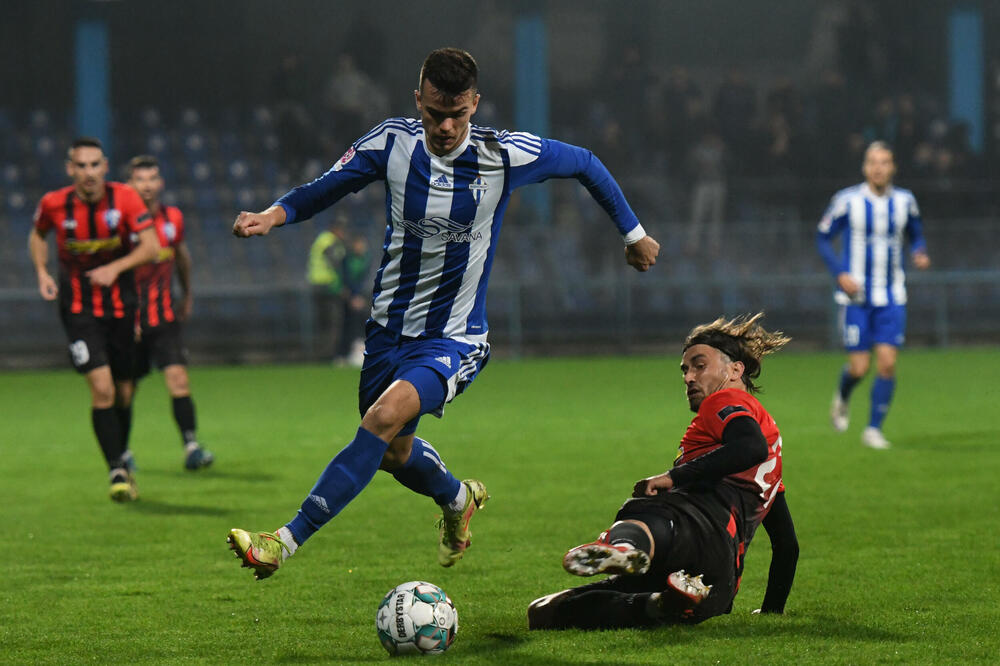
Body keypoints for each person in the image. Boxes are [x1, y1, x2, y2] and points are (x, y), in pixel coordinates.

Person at [225, 47, 660, 579]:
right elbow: (326, 187)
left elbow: (586, 163)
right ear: (418, 101)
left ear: (475, 103)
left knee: (381, 421)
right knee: (391, 451)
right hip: (387, 332)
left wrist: (634, 234)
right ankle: (457, 499)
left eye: (458, 113)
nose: (446, 126)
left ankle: (282, 542)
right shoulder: (392, 143)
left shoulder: (504, 155)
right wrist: (273, 216)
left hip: (454, 338)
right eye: (435, 113)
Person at [527, 313, 797, 629]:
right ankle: (660, 603)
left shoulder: (724, 400)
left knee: (649, 508)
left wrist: (673, 477)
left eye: (700, 365)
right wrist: (771, 613)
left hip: (691, 528)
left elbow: (749, 447)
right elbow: (787, 546)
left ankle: (625, 549)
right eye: (685, 370)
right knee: (543, 611)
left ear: (735, 369)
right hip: (716, 582)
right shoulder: (769, 466)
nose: (688, 377)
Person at [28, 137, 160, 501]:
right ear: (70, 169)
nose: (88, 172)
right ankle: (117, 468)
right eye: (80, 166)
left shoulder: (127, 199)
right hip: (79, 310)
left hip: (122, 308)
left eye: (94, 165)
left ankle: (121, 452)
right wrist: (42, 272)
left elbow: (151, 247)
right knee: (101, 388)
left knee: (124, 391)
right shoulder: (54, 204)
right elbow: (38, 236)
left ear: (105, 167)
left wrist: (114, 268)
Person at [818, 141, 930, 449]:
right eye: (873, 162)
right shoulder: (847, 200)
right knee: (859, 367)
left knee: (887, 364)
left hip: (892, 294)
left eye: (884, 162)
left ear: (893, 167)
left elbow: (916, 234)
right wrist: (840, 273)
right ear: (865, 167)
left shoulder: (906, 201)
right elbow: (823, 237)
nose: (878, 167)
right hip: (856, 298)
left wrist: (920, 251)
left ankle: (873, 429)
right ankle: (842, 395)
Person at [126, 155, 215, 470]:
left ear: (160, 183)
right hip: (128, 322)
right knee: (125, 389)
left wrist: (187, 294)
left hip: (163, 317)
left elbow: (181, 258)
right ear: (130, 184)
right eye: (141, 179)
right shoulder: (122, 223)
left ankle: (191, 446)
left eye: (152, 178)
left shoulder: (173, 218)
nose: (147, 185)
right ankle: (121, 451)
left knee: (179, 380)